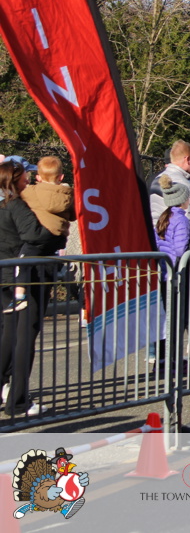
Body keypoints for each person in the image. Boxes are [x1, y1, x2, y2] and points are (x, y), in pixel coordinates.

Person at [0, 160, 54, 416]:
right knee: (24, 337)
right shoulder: (16, 205)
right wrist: (53, 232)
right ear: (15, 179)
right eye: (25, 176)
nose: (29, 180)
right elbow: (34, 235)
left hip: (5, 276)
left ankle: (10, 392)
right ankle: (19, 400)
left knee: (9, 335)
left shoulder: (5, 205)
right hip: (22, 277)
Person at [15, 157, 74, 312]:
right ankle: (58, 268)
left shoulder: (31, 191)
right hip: (58, 237)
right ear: (61, 177)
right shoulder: (67, 195)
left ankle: (19, 294)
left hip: (40, 234)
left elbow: (18, 199)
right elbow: (74, 215)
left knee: (23, 260)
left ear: (38, 177)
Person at [149, 140, 190, 232]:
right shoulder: (184, 186)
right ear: (188, 159)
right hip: (177, 237)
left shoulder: (157, 179)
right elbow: (187, 223)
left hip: (157, 236)